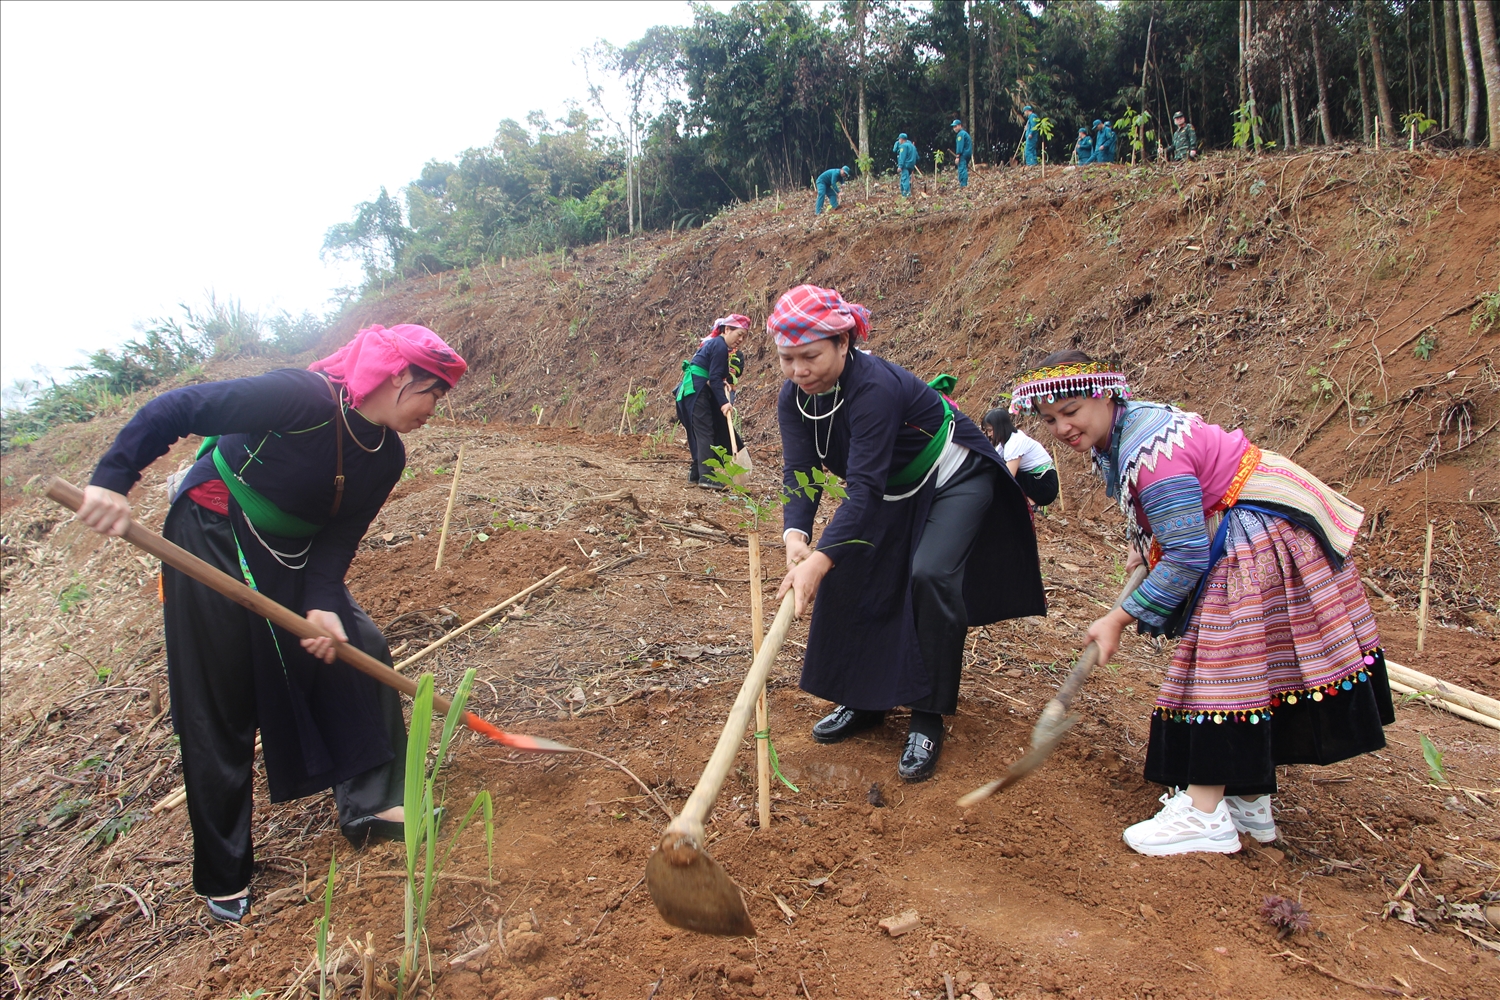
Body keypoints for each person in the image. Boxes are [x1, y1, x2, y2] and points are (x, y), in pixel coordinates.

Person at [76, 324, 468, 921]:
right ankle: (223, 871)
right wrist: (111, 479)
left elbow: (337, 543)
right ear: (395, 378)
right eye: (431, 394)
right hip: (212, 530)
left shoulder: (386, 456)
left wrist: (322, 604)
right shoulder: (301, 398)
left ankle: (373, 803)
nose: (433, 411)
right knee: (221, 695)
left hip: (292, 553)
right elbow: (176, 408)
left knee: (359, 645)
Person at [1011, 351, 1391, 856]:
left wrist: (1118, 619)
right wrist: (1144, 540)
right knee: (1255, 669)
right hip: (1260, 523)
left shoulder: (1150, 451)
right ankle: (1247, 802)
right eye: (1051, 419)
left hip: (1259, 541)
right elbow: (1174, 507)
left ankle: (1205, 814)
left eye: (1072, 410)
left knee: (1220, 667)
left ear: (1105, 394)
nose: (1062, 428)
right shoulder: (1129, 427)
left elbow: (1188, 552)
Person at [771, 285, 1045, 782]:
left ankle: (926, 714)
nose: (798, 371)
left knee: (930, 575)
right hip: (891, 489)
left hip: (953, 476)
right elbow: (800, 469)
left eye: (809, 356)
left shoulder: (873, 387)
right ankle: (863, 699)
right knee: (850, 573)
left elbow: (864, 490)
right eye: (787, 359)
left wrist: (820, 558)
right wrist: (796, 535)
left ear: (843, 343)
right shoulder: (794, 399)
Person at [675, 314, 749, 487]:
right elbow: (714, 377)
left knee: (699, 430)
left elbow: (713, 376)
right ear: (727, 329)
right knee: (705, 431)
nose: (741, 339)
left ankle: (696, 471)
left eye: (744, 336)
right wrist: (724, 403)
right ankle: (707, 476)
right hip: (696, 389)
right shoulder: (720, 346)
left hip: (691, 389)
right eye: (739, 334)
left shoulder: (714, 344)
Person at [982, 407, 1058, 508]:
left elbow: (1008, 476)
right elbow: (992, 459)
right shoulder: (1006, 442)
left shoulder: (1015, 442)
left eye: (991, 430)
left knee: (1002, 474)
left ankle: (1028, 503)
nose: (989, 434)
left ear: (1000, 427)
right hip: (1036, 479)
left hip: (1044, 484)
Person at [951, 119, 972, 187]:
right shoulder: (965, 133)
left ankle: (963, 185)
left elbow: (959, 146)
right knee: (963, 168)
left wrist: (957, 156)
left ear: (960, 126)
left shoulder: (960, 134)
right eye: (953, 127)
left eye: (955, 126)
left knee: (962, 169)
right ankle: (963, 184)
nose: (954, 128)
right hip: (968, 153)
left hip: (963, 154)